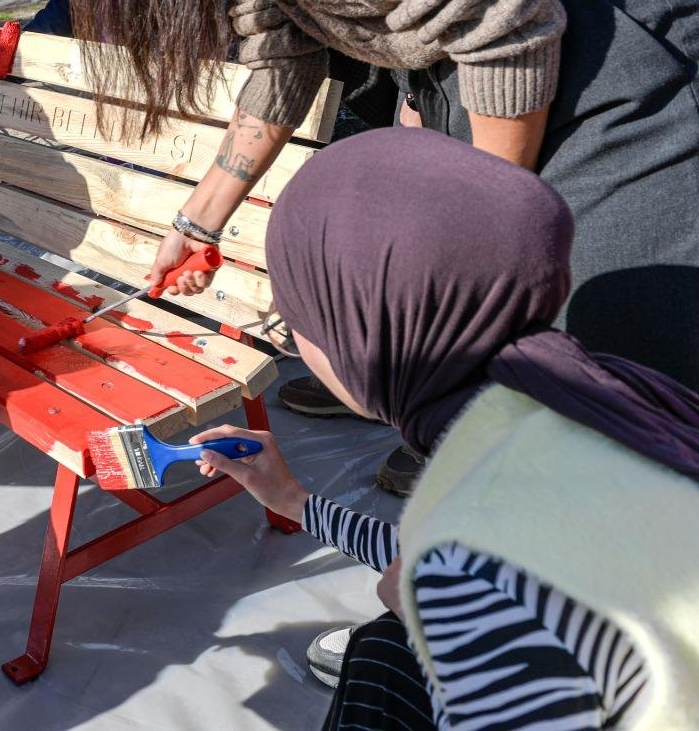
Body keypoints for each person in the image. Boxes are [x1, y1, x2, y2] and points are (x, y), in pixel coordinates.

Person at [35, 0, 699, 472]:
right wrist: (198, 222)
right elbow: (281, 50)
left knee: (624, 337)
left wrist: (483, 241)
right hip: (490, 45)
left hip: (600, 24)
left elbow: (505, 25)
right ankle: (509, 470)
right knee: (530, 325)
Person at [190, 128, 699, 730]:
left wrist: (430, 609)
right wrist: (295, 502)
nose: (297, 339)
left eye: (299, 315)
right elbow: (434, 553)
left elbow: (462, 569)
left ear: (367, 327)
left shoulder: (471, 572)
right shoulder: (581, 397)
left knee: (383, 657)